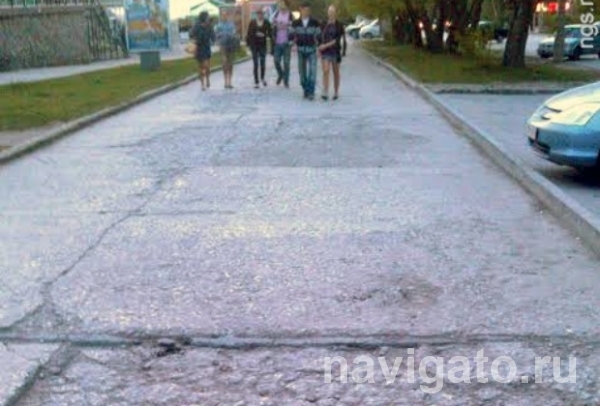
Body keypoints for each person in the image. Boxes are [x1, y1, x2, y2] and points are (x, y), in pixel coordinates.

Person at [290, 2, 321, 100]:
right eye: (305, 10)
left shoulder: (315, 22)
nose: (307, 12)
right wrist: (293, 45)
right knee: (302, 73)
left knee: (313, 71)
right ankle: (305, 89)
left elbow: (319, 36)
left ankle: (311, 92)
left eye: (308, 10)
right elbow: (290, 35)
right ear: (301, 9)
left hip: (312, 50)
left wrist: (319, 48)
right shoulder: (295, 23)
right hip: (300, 50)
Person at [318, 5, 346, 100]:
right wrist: (319, 47)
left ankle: (336, 92)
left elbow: (337, 40)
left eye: (333, 12)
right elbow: (319, 36)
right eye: (329, 12)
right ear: (327, 13)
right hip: (325, 52)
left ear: (335, 13)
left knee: (336, 72)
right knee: (325, 71)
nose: (331, 14)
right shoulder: (323, 24)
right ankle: (325, 91)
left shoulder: (339, 25)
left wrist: (325, 45)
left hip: (335, 52)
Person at [189, 11, 216, 91]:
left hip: (206, 47)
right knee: (201, 67)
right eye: (207, 17)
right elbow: (191, 34)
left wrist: (213, 40)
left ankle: (207, 78)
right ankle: (202, 84)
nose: (208, 18)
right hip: (199, 48)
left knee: (207, 66)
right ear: (204, 18)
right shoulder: (197, 26)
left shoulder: (209, 26)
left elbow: (213, 36)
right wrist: (194, 39)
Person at [246, 9, 272, 88]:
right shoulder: (252, 22)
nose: (260, 16)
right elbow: (249, 34)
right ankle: (256, 81)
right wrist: (248, 45)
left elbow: (270, 33)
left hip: (262, 45)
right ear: (257, 15)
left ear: (263, 15)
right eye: (258, 14)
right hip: (254, 45)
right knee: (255, 63)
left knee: (263, 62)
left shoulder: (266, 22)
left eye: (261, 14)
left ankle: (262, 78)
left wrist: (265, 35)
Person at [271, 0, 294, 87]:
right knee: (276, 61)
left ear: (286, 4)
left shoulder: (290, 15)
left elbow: (293, 27)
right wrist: (275, 25)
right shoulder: (276, 14)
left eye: (282, 3)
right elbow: (272, 24)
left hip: (287, 43)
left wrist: (286, 25)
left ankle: (286, 81)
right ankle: (280, 74)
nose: (280, 5)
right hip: (277, 42)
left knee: (286, 63)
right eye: (279, 3)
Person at [215, 10, 239, 89]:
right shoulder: (218, 25)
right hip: (223, 45)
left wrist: (229, 34)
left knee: (230, 64)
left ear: (228, 16)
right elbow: (216, 35)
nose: (224, 16)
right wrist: (221, 35)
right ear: (221, 16)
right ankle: (225, 82)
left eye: (225, 15)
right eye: (223, 15)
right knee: (224, 63)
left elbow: (234, 33)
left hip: (231, 45)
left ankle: (229, 82)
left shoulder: (231, 25)